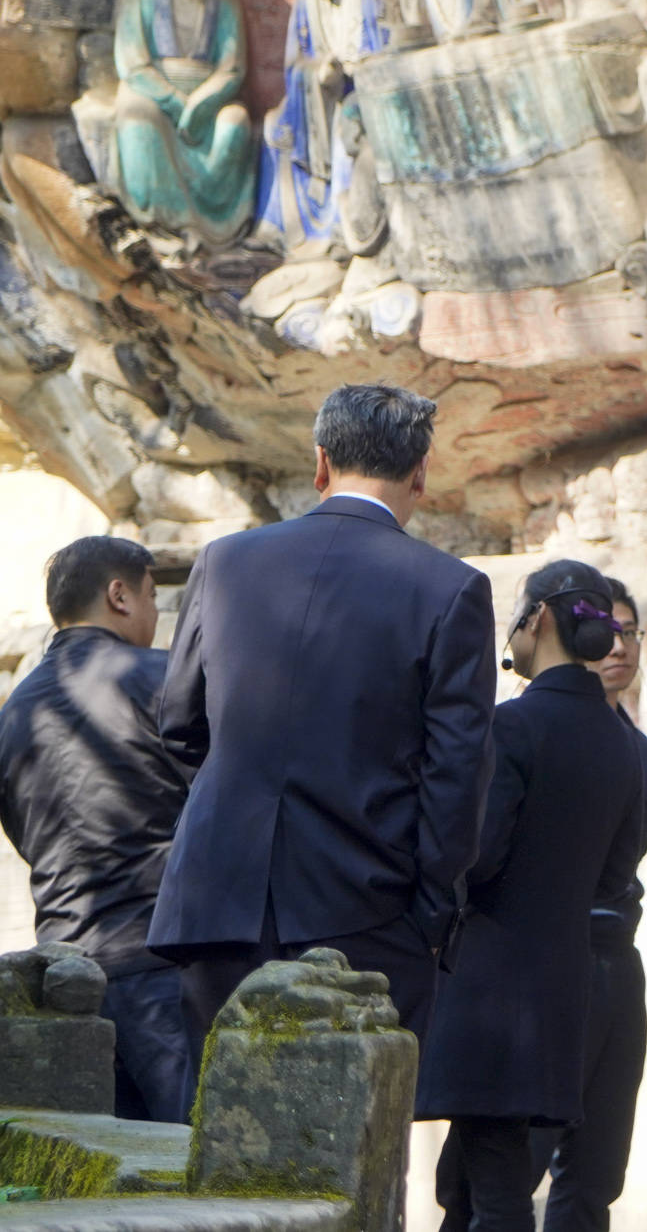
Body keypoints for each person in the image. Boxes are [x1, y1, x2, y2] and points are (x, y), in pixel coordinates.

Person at [151, 381, 496, 1037]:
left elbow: (178, 720)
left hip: (217, 902)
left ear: (320, 462)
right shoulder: (451, 588)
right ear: (420, 473)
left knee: (214, 1129)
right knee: (347, 1133)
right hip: (366, 910)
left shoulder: (224, 561)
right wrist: (427, 910)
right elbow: (456, 773)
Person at [418, 563, 647, 1232]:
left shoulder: (512, 726)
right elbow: (618, 871)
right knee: (477, 1185)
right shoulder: (625, 745)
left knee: (496, 1191)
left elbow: (478, 855)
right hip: (568, 986)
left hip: (493, 986)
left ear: (540, 619)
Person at [0, 534, 197, 1120]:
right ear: (119, 595)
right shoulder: (160, 680)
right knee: (200, 1169)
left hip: (64, 971)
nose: (156, 614)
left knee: (100, 1179)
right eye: (154, 596)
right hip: (162, 961)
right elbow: (223, 801)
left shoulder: (12, 713)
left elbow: (23, 836)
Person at [542, 573, 647, 1232]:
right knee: (508, 1161)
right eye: (607, 631)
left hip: (616, 956)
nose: (619, 646)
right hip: (547, 957)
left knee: (598, 1166)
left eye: (631, 631)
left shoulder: (639, 748)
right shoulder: (530, 727)